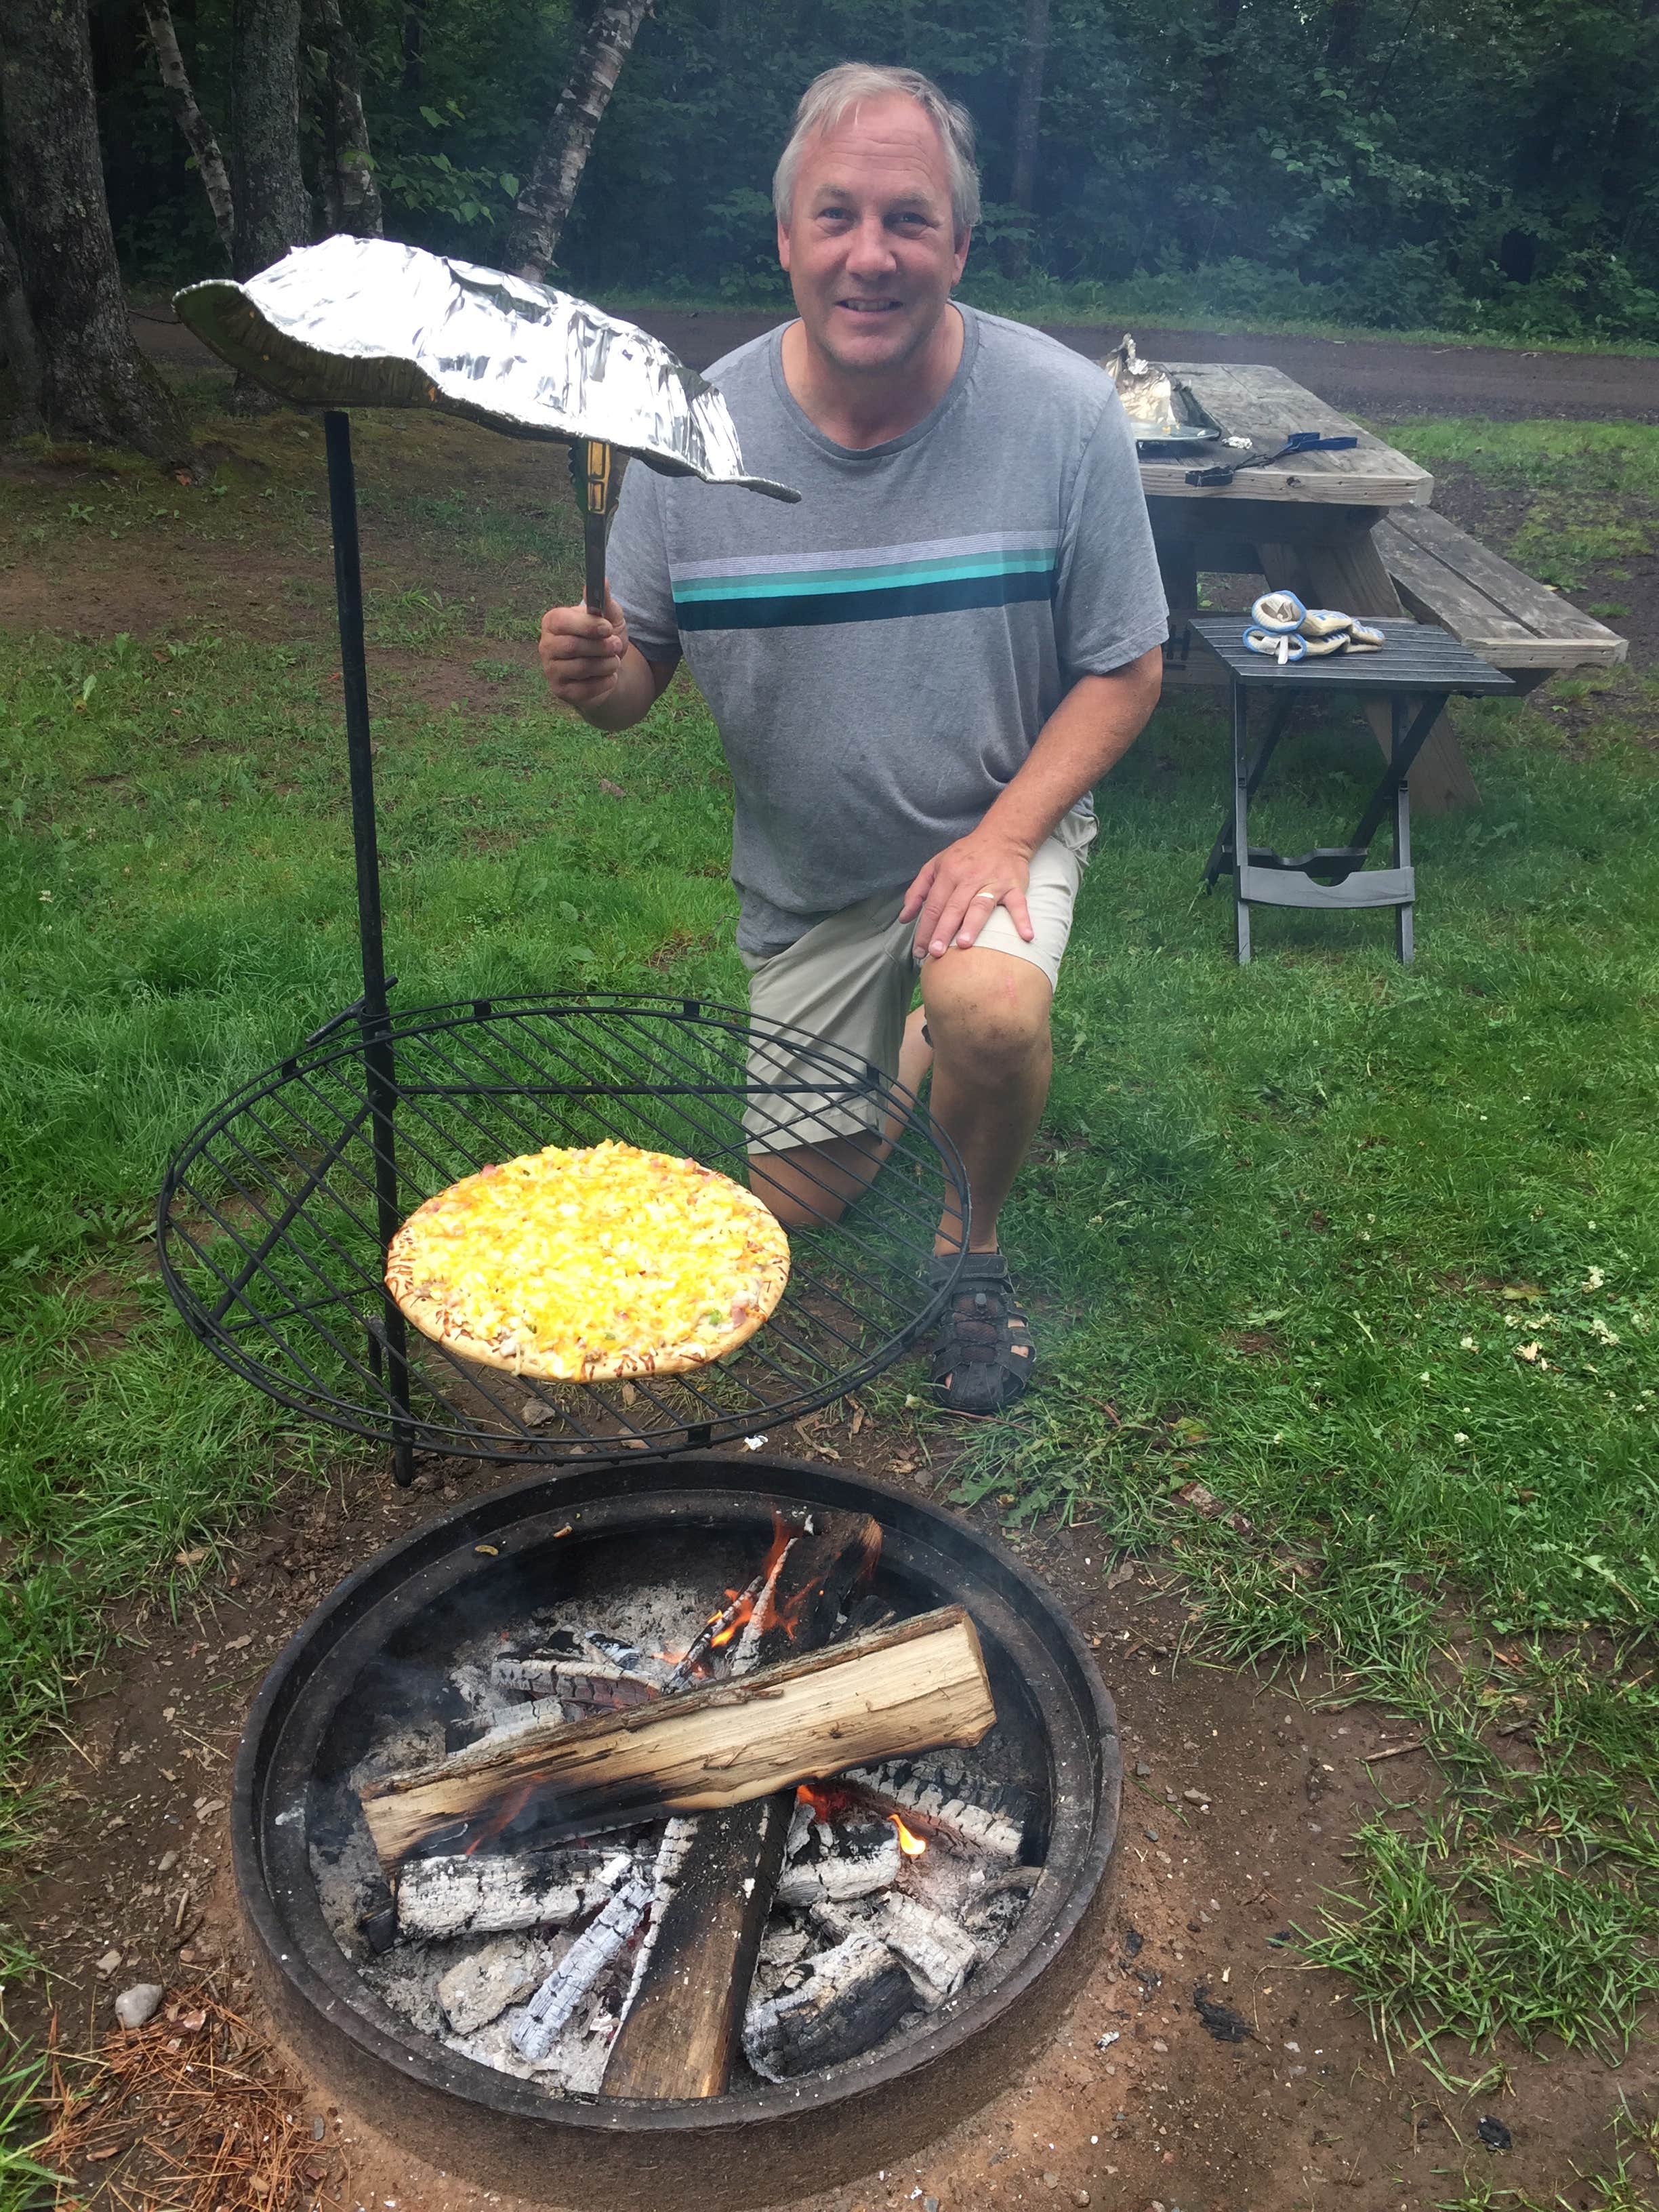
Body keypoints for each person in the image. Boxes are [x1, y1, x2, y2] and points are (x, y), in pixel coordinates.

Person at [539, 62, 1167, 1415]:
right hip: (811, 886)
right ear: (784, 239)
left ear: (960, 243)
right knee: (794, 1206)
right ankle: (920, 1044)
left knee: (988, 1004)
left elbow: (1129, 665)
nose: (870, 255)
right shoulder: (684, 436)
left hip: (993, 822)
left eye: (908, 220)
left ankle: (973, 1247)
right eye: (836, 217)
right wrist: (599, 673)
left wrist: (1004, 838)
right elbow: (637, 678)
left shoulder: (1060, 414)